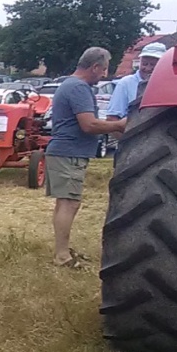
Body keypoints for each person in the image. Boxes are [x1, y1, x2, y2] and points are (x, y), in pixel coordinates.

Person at [44, 47, 127, 268]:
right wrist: (119, 125)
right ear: (95, 67)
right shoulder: (78, 88)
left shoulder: (71, 85)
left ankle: (62, 250)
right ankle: (62, 256)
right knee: (70, 203)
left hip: (65, 152)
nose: (105, 75)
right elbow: (89, 125)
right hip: (68, 152)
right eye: (104, 69)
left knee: (66, 202)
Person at [105, 41, 167, 122]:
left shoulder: (167, 85)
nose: (148, 68)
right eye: (145, 64)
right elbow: (112, 118)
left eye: (153, 65)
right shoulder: (125, 83)